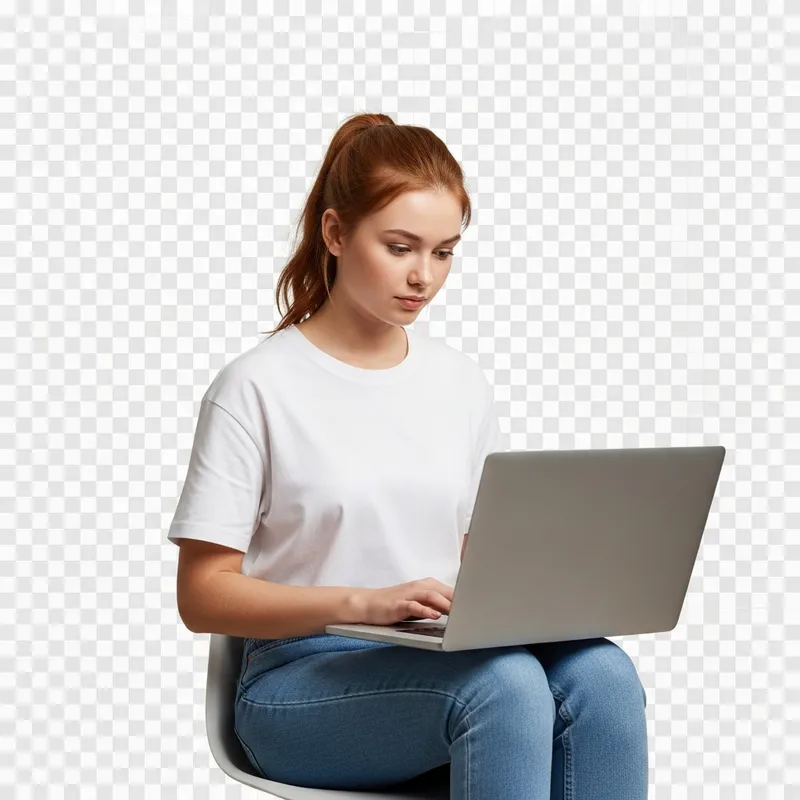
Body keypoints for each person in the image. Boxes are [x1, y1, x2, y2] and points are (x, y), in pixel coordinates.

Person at [166, 111, 649, 799]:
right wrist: (363, 602)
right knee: (504, 687)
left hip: (443, 651)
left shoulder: (459, 382)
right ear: (335, 233)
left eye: (444, 252)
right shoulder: (255, 388)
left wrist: (552, 594)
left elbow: (477, 557)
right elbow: (202, 594)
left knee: (602, 675)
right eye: (400, 247)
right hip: (301, 680)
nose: (424, 276)